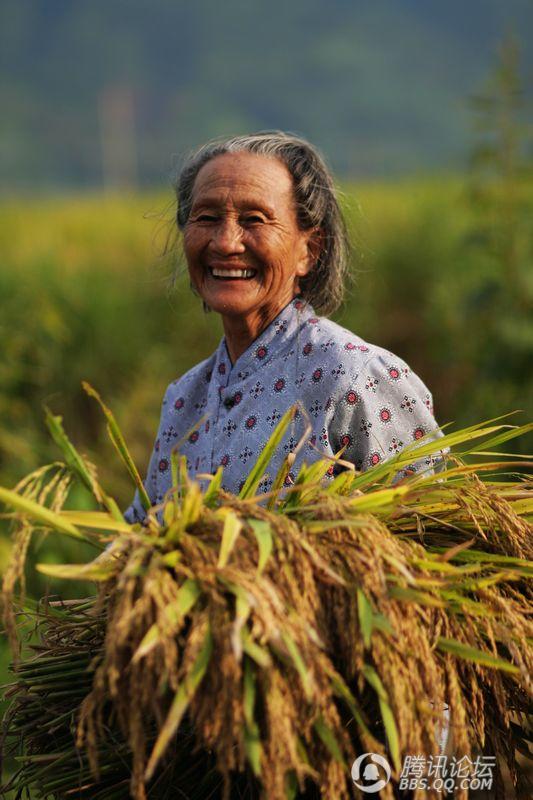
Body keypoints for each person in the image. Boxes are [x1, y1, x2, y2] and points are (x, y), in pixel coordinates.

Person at [124, 131, 445, 525]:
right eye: (206, 218)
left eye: (253, 220)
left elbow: (433, 530)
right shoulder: (183, 401)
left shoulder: (354, 377)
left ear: (308, 251)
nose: (226, 242)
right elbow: (138, 535)